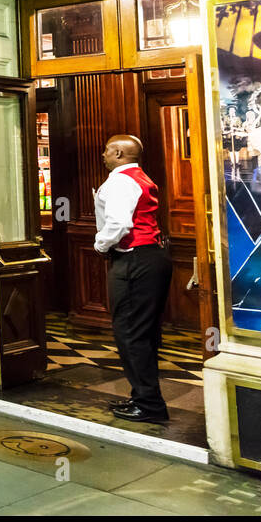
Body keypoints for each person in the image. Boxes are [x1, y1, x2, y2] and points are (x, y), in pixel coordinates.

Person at [94, 134, 173, 424]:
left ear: (117, 152)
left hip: (133, 259)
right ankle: (143, 396)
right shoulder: (140, 177)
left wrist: (100, 245)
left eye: (105, 151)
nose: (102, 155)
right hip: (154, 256)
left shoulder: (119, 181)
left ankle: (150, 404)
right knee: (145, 332)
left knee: (130, 332)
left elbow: (118, 223)